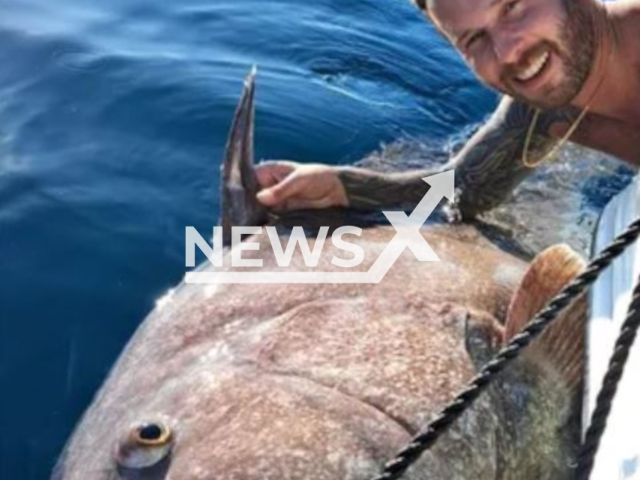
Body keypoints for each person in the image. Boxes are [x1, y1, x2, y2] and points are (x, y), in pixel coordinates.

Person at [254, 0, 640, 220]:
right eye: (475, 39)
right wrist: (341, 185)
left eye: (513, 6)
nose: (509, 52)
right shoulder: (542, 111)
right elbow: (461, 190)